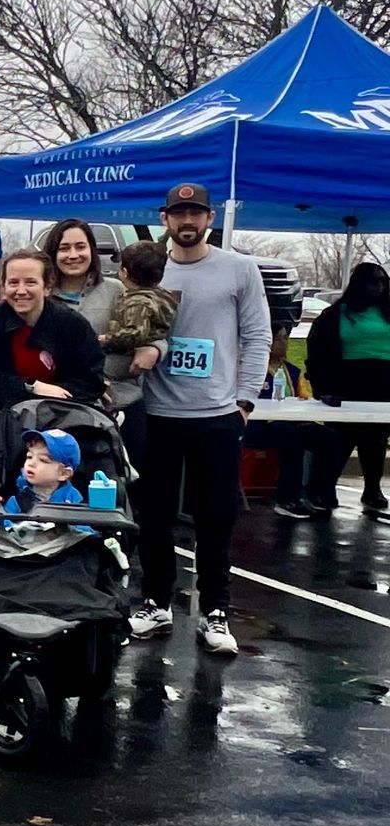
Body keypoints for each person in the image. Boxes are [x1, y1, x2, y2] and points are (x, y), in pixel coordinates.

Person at [130, 183, 270, 657]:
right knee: (155, 515)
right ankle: (155, 600)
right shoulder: (149, 269)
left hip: (216, 415)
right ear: (165, 219)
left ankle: (215, 610)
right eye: (178, 214)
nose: (187, 222)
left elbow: (257, 335)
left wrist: (245, 401)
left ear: (209, 219)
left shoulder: (239, 269)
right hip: (158, 412)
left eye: (195, 214)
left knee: (216, 517)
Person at [0, 248, 104, 407]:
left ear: (47, 287)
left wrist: (53, 394)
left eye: (31, 282)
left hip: (62, 414)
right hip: (2, 416)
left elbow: (92, 382)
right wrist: (31, 387)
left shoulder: (73, 325)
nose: (21, 291)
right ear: (3, 287)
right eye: (13, 283)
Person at [306, 259, 390, 519]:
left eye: (383, 282)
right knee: (342, 439)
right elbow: (317, 348)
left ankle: (373, 489)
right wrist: (323, 387)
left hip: (384, 383)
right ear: (359, 284)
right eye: (373, 281)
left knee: (376, 439)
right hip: (348, 383)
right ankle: (325, 488)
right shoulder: (336, 314)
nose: (379, 287)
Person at [98, 240, 179, 470]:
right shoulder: (163, 295)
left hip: (121, 385)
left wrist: (104, 339)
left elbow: (136, 333)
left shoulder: (137, 301)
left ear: (124, 272)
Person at [249, 323, 315, 519]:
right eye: (280, 338)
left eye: (286, 338)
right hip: (257, 427)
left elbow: (305, 399)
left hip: (290, 423)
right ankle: (286, 498)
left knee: (328, 438)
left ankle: (319, 494)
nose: (285, 343)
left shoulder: (294, 372)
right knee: (289, 436)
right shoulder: (253, 370)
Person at [40, 217, 120, 336]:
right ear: (53, 253)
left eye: (80, 247)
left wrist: (155, 348)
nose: (73, 255)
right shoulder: (39, 294)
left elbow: (149, 332)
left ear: (92, 250)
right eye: (64, 248)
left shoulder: (116, 290)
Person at [6, 429, 83, 513]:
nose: (31, 463)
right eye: (29, 457)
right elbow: (3, 524)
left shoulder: (72, 499)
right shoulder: (17, 500)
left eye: (43, 460)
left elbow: (83, 525)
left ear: (63, 473)